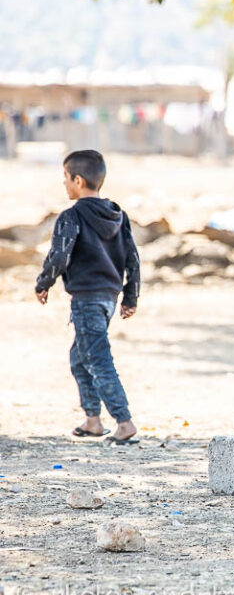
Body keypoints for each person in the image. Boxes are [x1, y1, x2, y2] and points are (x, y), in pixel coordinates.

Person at [34, 150, 141, 445]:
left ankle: (124, 421)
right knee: (79, 359)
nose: (65, 185)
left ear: (78, 180)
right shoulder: (118, 215)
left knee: (97, 359)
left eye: (66, 180)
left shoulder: (72, 216)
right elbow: (133, 258)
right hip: (107, 299)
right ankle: (93, 420)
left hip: (86, 300)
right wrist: (130, 296)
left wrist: (44, 283)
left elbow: (59, 255)